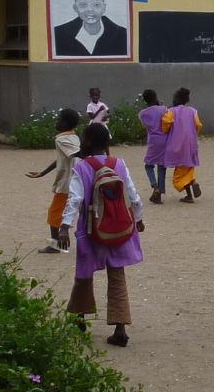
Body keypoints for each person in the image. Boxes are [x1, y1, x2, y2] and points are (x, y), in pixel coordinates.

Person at [58, 121, 143, 347]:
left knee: (84, 274)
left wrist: (64, 227)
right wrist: (139, 219)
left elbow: (74, 199)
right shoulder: (120, 164)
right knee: (117, 277)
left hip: (90, 230)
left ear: (88, 143)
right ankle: (120, 328)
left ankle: (79, 317)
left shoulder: (82, 168)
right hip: (119, 229)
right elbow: (133, 195)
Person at [26, 105, 83, 252]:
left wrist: (92, 154)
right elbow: (62, 158)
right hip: (77, 180)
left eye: (58, 120)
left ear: (64, 123)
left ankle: (55, 244)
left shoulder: (61, 139)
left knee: (55, 212)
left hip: (66, 183)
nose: (56, 122)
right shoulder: (75, 137)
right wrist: (43, 172)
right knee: (79, 211)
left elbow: (74, 154)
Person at [52, 0, 127, 57]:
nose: (90, 9)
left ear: (103, 8)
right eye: (83, 5)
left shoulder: (122, 34)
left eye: (96, 5)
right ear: (75, 8)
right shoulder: (58, 34)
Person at [161, 88, 203, 198]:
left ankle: (190, 191)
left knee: (178, 177)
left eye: (174, 98)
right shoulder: (193, 111)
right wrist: (193, 135)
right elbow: (198, 125)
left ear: (178, 99)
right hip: (191, 143)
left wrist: (164, 130)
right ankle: (192, 185)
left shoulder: (171, 111)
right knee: (188, 167)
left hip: (177, 144)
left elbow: (166, 123)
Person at [137, 88, 169, 202]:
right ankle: (160, 191)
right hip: (165, 140)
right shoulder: (164, 109)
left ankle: (154, 186)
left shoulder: (143, 113)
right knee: (161, 166)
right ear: (156, 97)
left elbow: (145, 124)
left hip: (153, 141)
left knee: (149, 165)